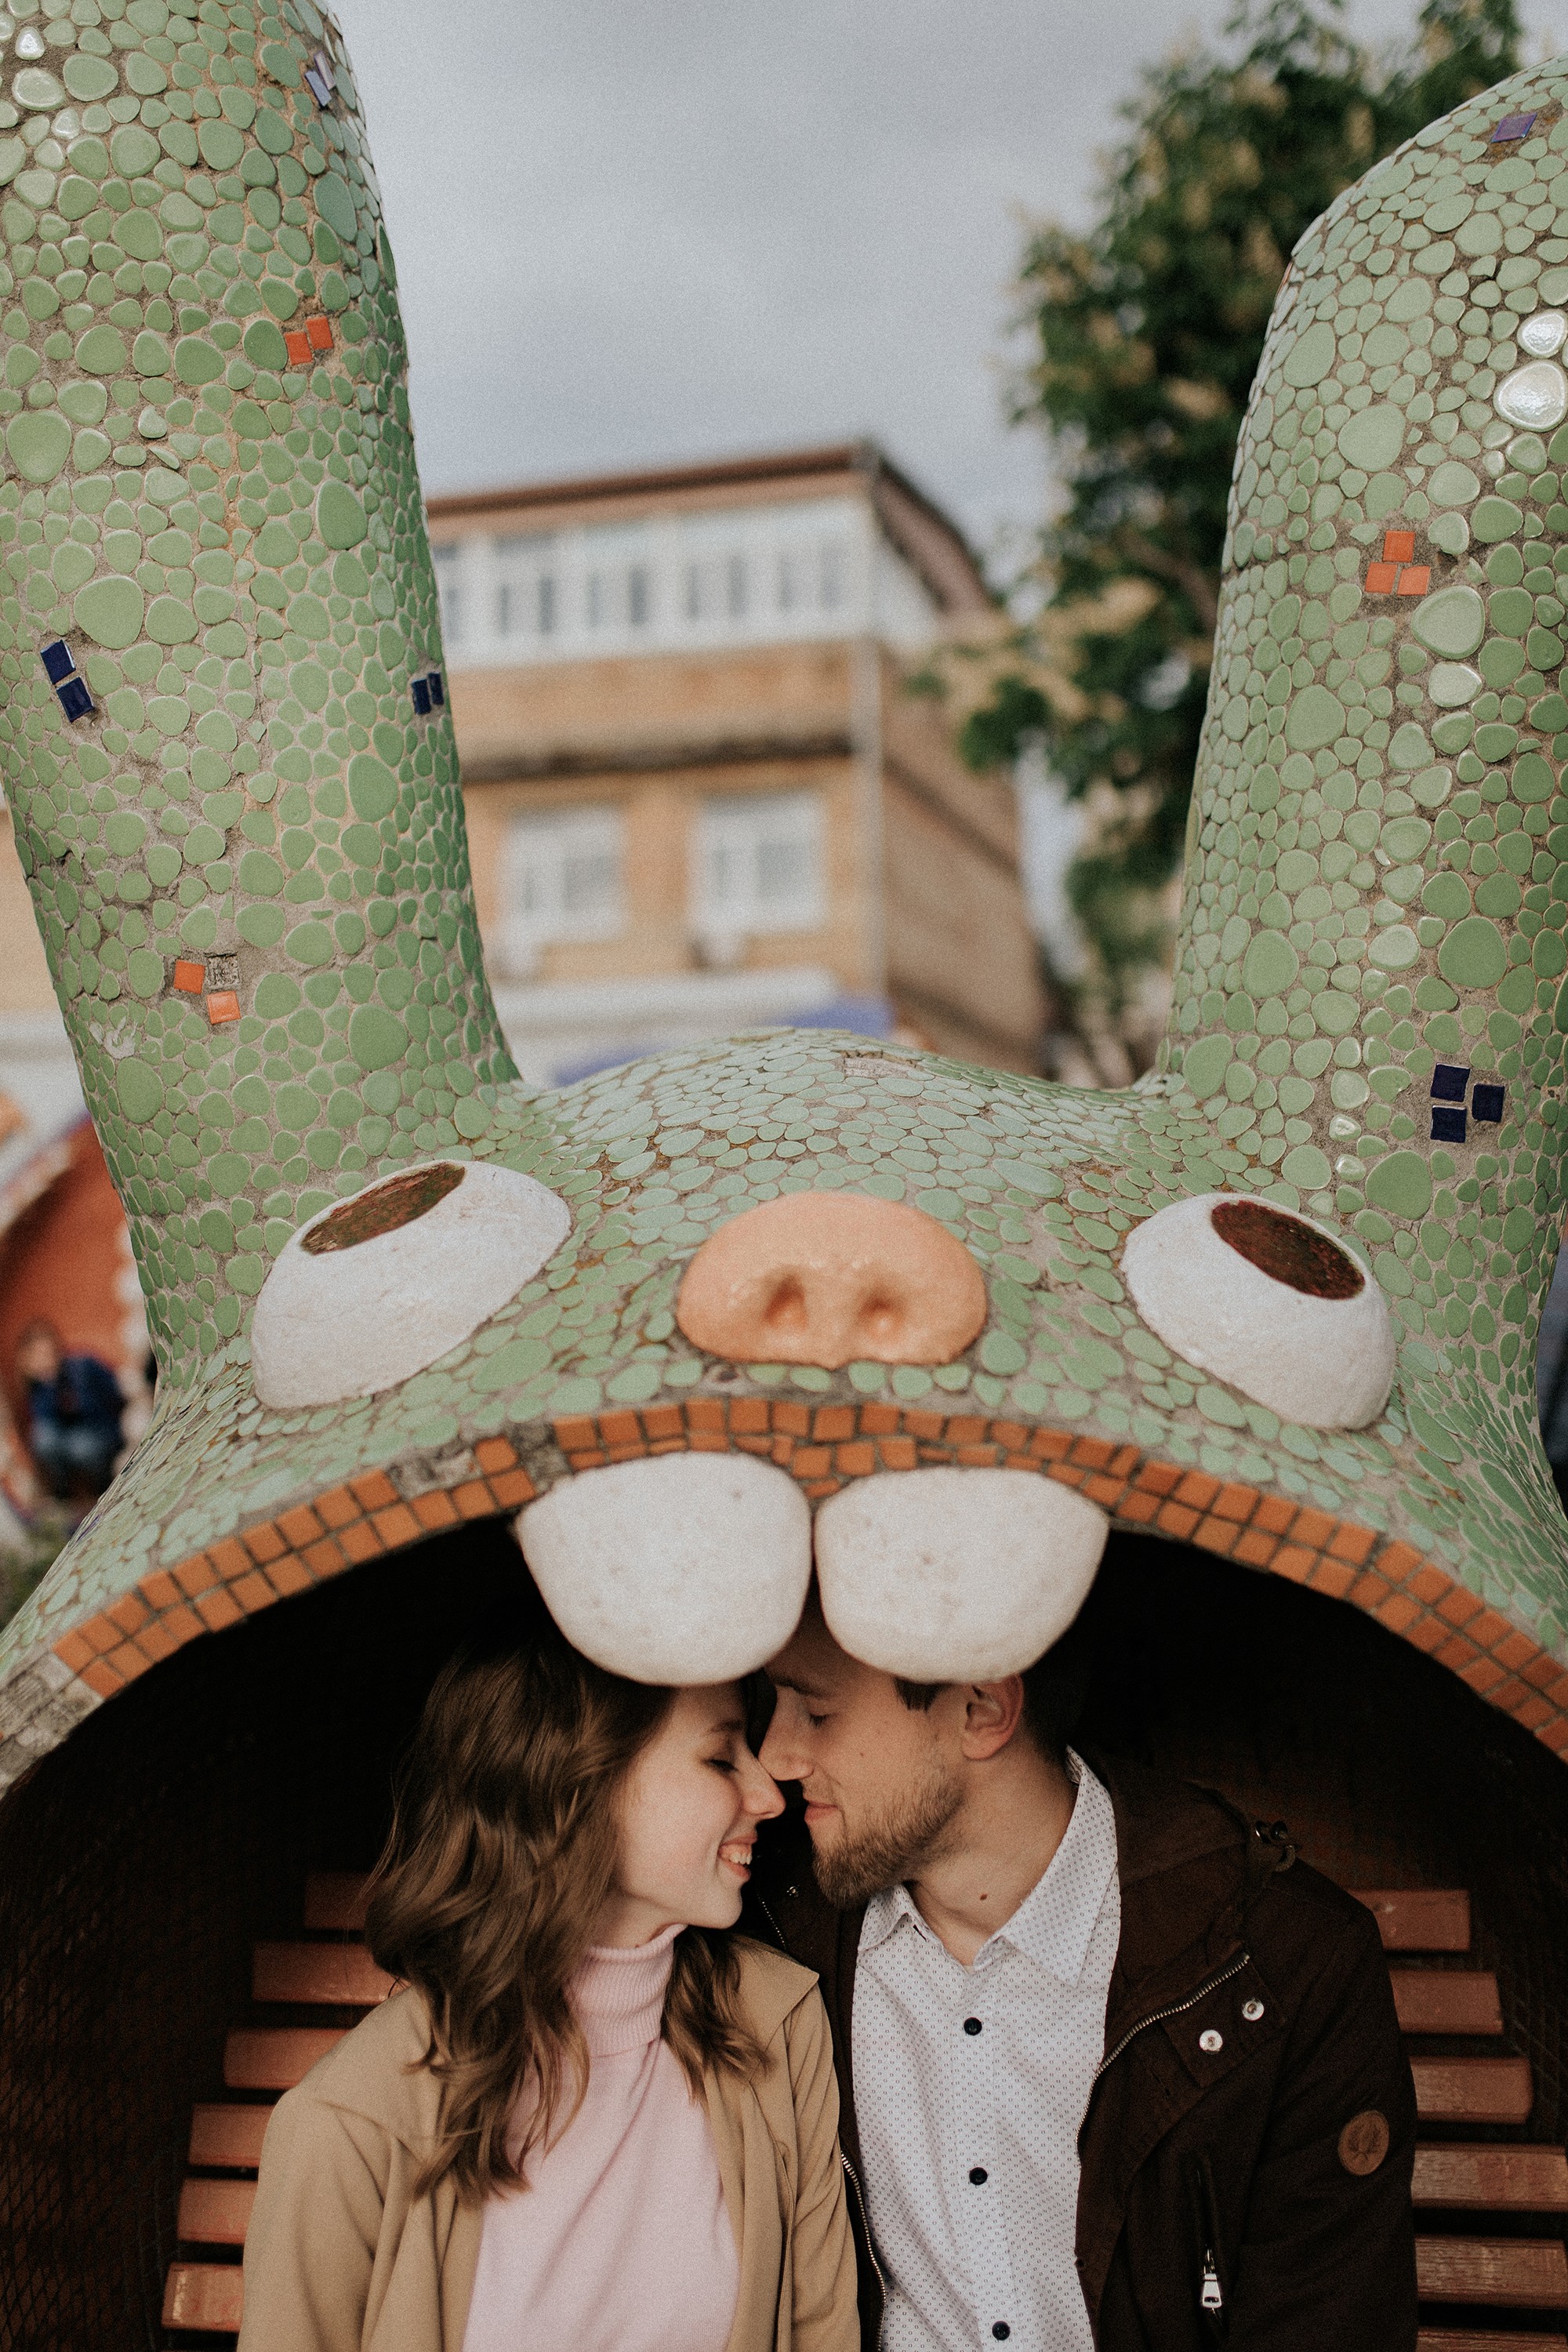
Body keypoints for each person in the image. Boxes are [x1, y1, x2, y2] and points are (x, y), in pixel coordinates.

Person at [753, 1595, 1417, 2352]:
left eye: (817, 1712)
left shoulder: (1281, 1961)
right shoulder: (772, 1934)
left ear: (982, 1710)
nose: (774, 1757)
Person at [238, 1595, 858, 2352]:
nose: (767, 1796)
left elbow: (821, 2333)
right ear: (578, 1787)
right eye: (721, 1758)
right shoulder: (349, 2123)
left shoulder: (778, 2027)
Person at [14, 1319, 124, 1501]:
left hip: (102, 1429)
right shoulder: (40, 1386)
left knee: (81, 1447)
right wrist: (48, 1384)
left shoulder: (82, 1366)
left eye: (46, 1352)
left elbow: (111, 1394)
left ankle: (105, 1486)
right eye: (36, 1355)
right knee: (43, 1439)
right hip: (71, 1438)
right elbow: (45, 1420)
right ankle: (65, 1493)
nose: (44, 1359)